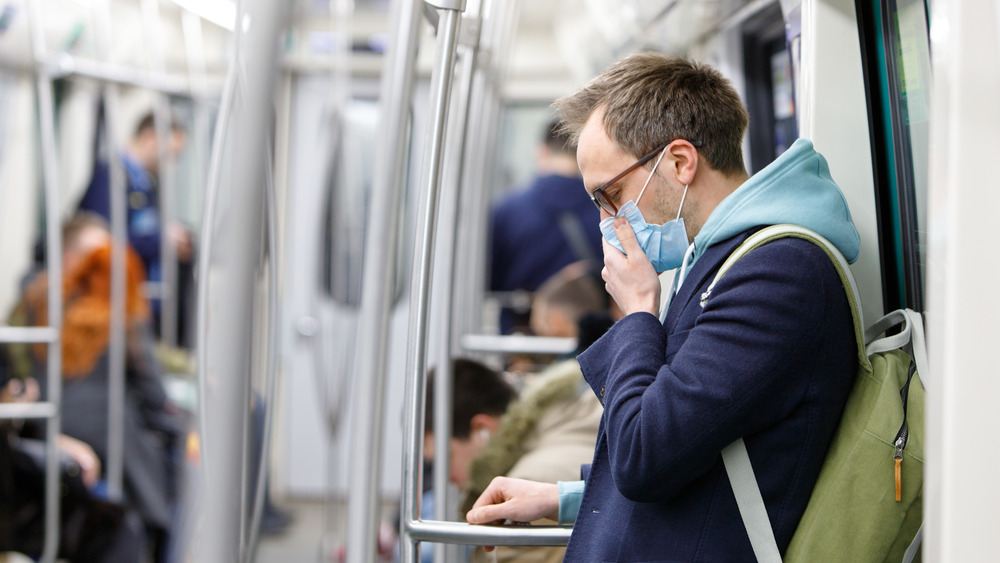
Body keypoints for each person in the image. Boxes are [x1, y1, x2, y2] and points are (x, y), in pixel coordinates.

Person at [466, 53, 860, 561]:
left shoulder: (778, 274)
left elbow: (646, 456)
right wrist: (563, 499)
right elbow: (697, 448)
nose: (607, 220)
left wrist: (637, 313)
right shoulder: (719, 262)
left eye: (611, 195)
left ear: (679, 163)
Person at [18, 213, 184, 561]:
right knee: (177, 470)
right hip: (105, 435)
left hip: (47, 429)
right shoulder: (117, 308)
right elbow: (152, 389)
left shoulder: (32, 300)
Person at [426, 357, 602, 563]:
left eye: (446, 459)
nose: (445, 477)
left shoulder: (529, 486)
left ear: (482, 429)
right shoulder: (563, 412)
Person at [78, 111, 193, 341]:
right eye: (171, 154)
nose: (171, 165)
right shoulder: (111, 175)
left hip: (135, 302)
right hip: (113, 303)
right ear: (150, 138)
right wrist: (162, 238)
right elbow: (102, 241)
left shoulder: (142, 182)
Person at [489, 119, 603, 335]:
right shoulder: (606, 210)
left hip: (521, 339)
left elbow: (491, 281)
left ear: (541, 152)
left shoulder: (506, 210)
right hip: (590, 337)